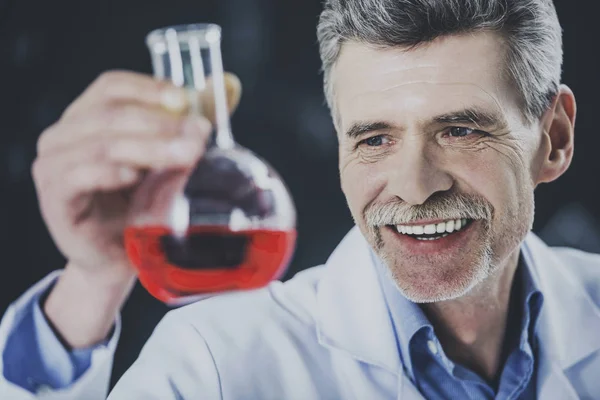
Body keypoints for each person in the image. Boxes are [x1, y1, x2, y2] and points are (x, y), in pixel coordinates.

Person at [2, 0, 599, 398]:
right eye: (374, 138)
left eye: (461, 131)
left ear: (555, 139)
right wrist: (91, 280)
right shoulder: (216, 363)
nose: (414, 186)